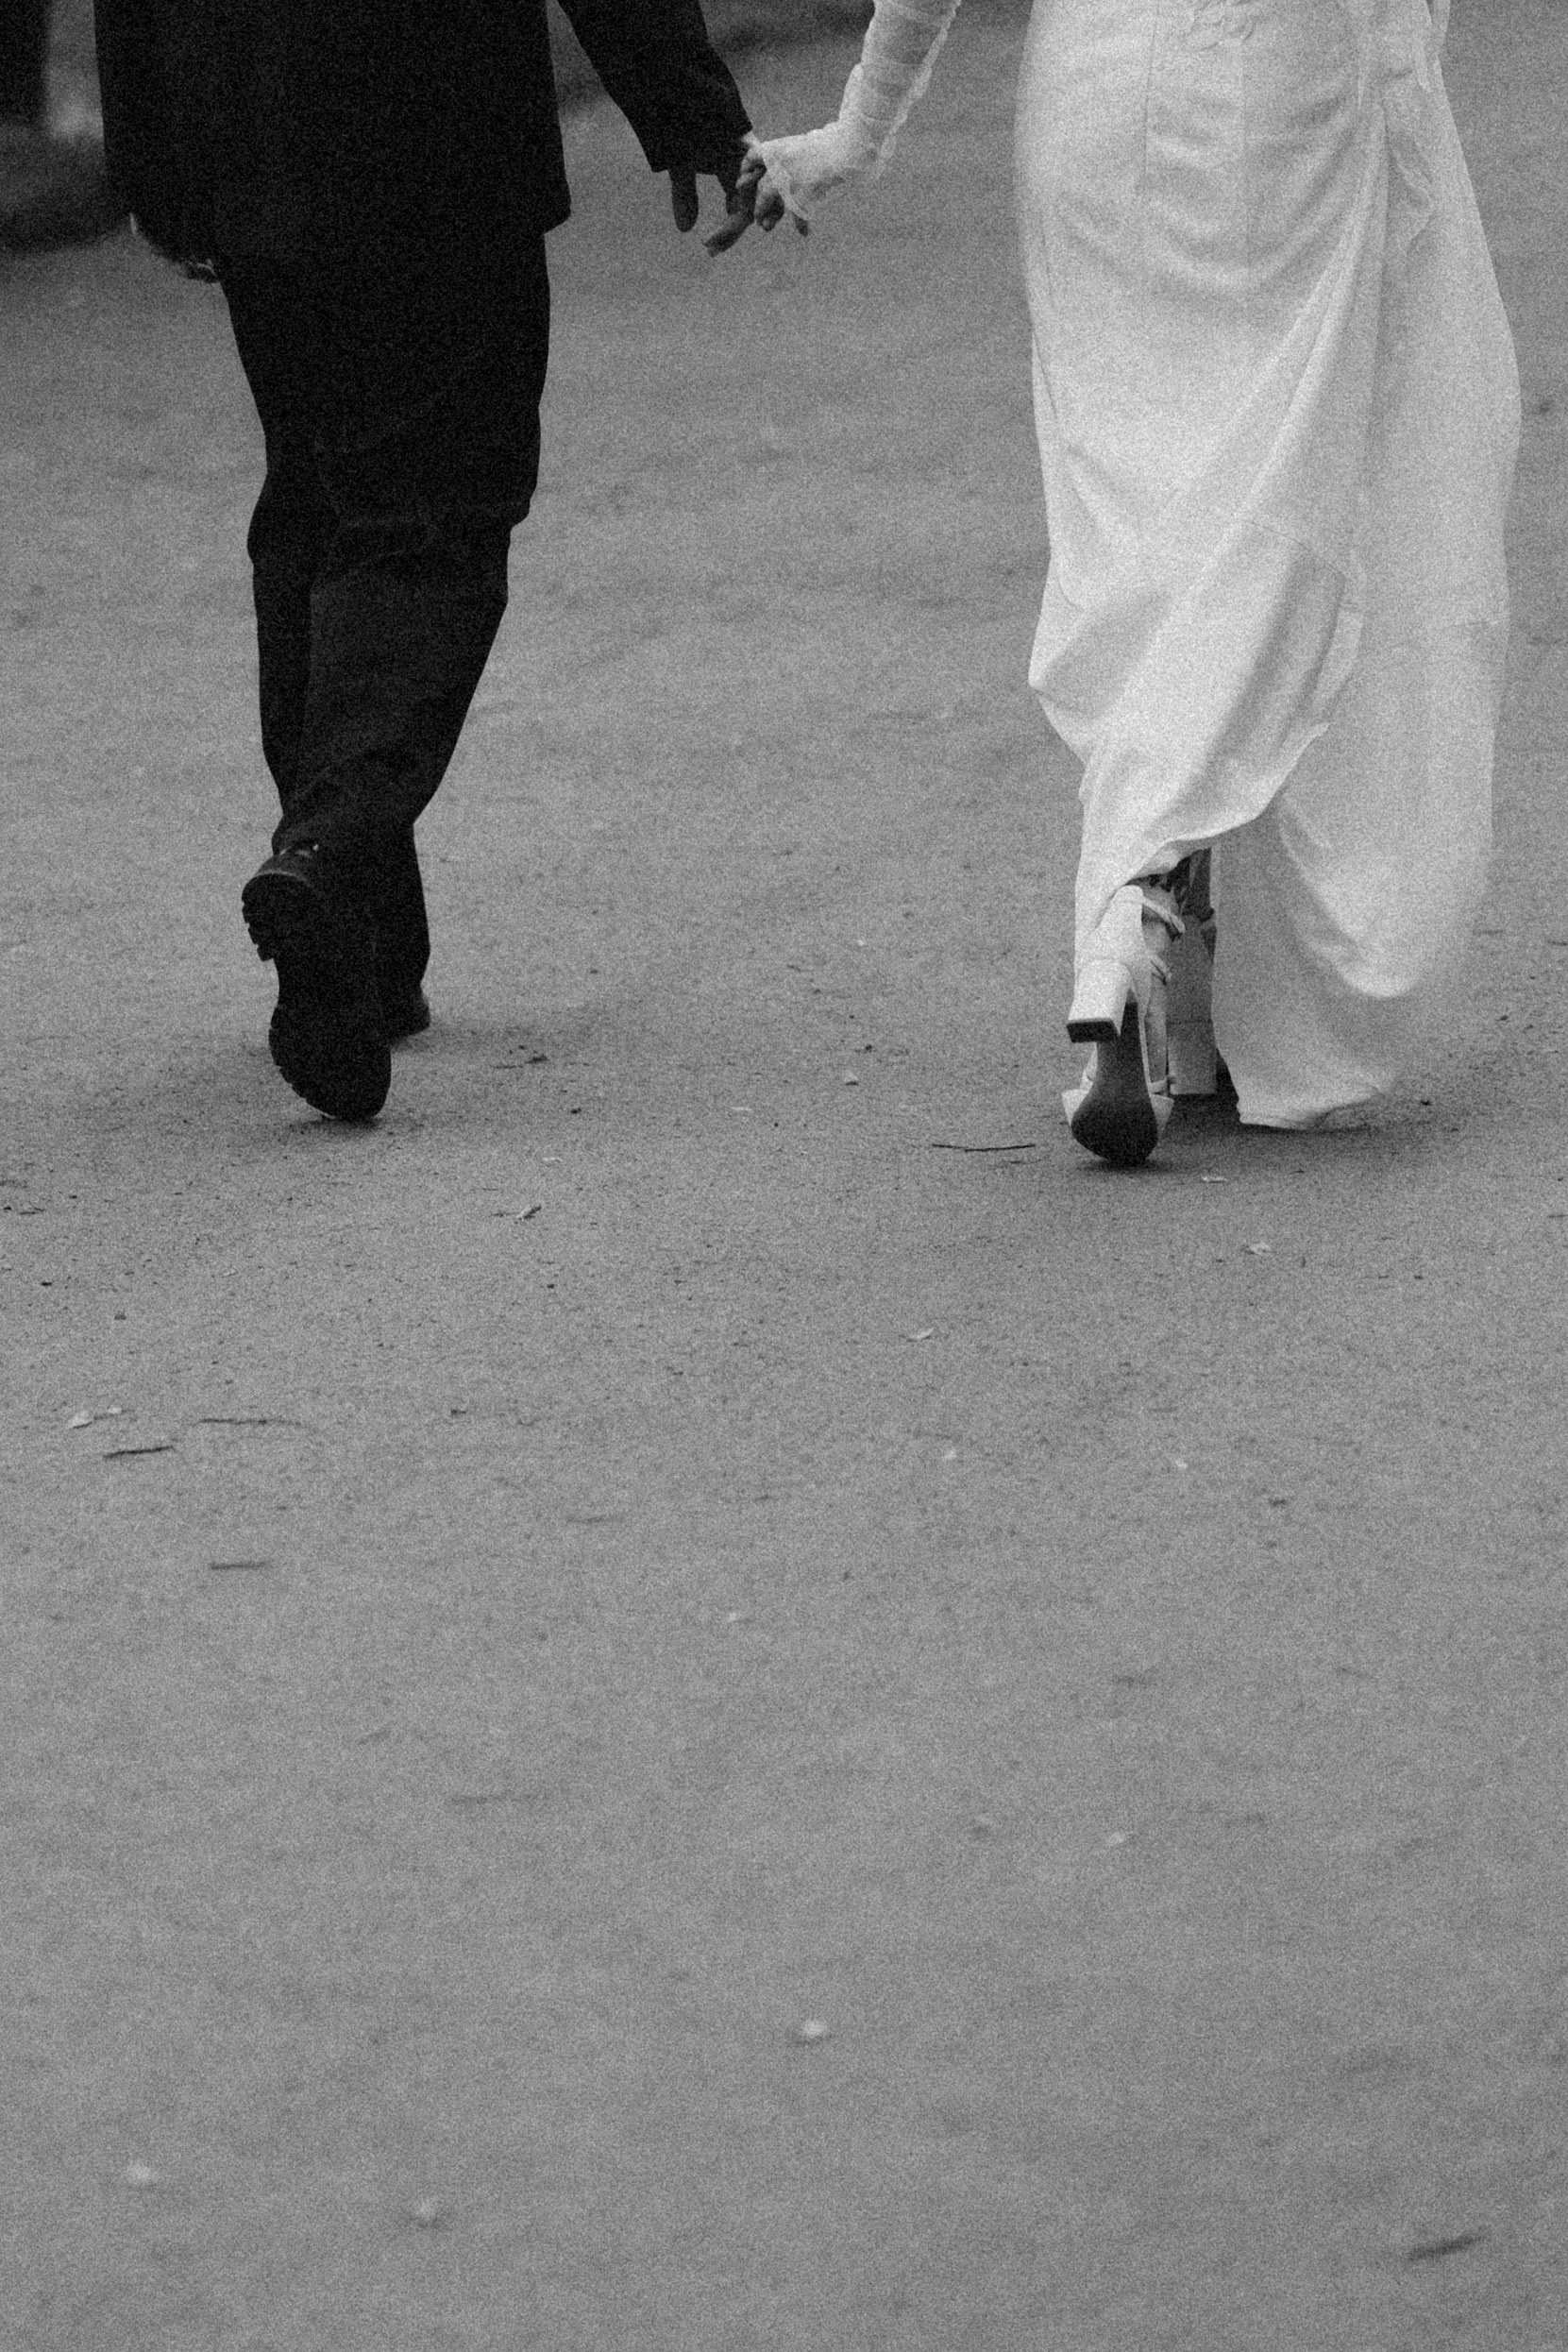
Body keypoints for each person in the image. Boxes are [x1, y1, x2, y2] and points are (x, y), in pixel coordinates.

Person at [743, 0, 1519, 1166]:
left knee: (1140, 530)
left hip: (1091, 101)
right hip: (1278, 106)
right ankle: (1136, 888)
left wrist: (861, 127)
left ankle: (1178, 993)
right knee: (1270, 513)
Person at [94, 0, 757, 1121]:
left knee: (315, 505)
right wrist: (686, 107)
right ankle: (331, 850)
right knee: (432, 512)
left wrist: (153, 154)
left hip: (247, 119)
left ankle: (360, 949)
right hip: (437, 133)